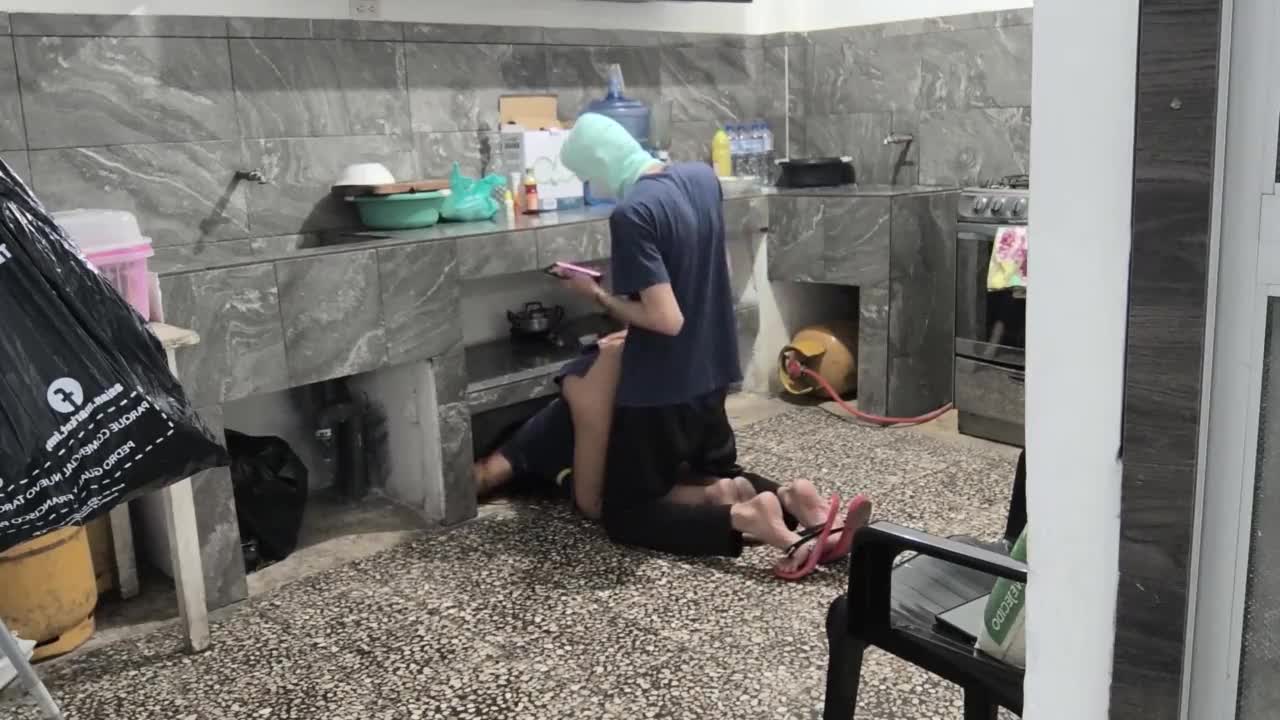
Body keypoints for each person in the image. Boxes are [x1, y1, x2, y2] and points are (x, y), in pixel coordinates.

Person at [551, 113, 870, 579]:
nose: (592, 186)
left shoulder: (632, 214)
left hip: (661, 389)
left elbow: (666, 319)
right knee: (712, 474)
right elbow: (700, 268)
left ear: (599, 164)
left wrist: (596, 295)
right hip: (714, 370)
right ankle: (800, 501)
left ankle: (745, 518)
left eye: (587, 175)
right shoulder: (700, 178)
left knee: (624, 512)